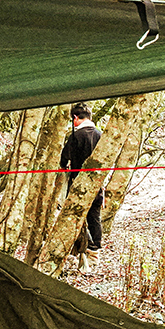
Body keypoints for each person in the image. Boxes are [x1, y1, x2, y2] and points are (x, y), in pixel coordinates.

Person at [59, 102, 104, 273]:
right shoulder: (100, 135)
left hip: (78, 184)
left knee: (74, 216)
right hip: (97, 184)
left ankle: (82, 249)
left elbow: (64, 159)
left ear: (75, 118)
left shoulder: (76, 136)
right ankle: (94, 252)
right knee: (94, 217)